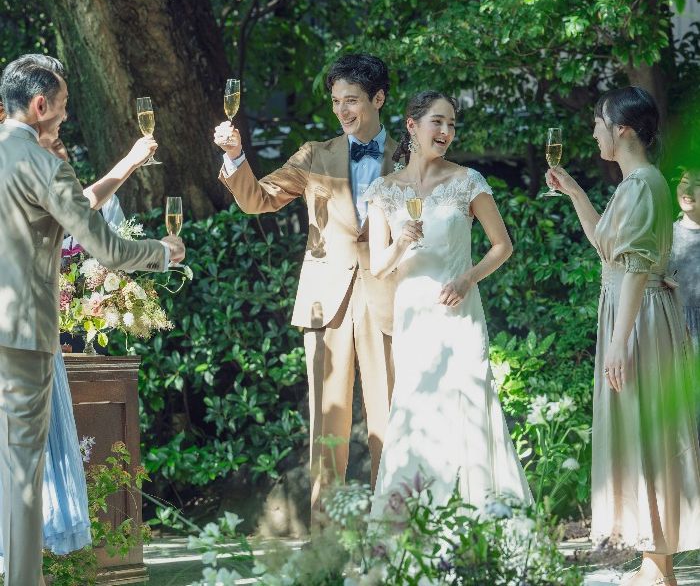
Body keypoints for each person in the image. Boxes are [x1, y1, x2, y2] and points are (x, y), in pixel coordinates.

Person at [0, 53, 185, 586]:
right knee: (22, 476)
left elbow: (72, 209)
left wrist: (123, 168)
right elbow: (108, 248)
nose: (64, 117)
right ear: (39, 105)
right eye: (61, 107)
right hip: (21, 339)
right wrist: (164, 252)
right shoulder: (43, 165)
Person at [213, 53, 397, 515]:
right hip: (325, 302)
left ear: (378, 98)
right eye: (336, 101)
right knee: (326, 428)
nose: (341, 110)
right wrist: (234, 156)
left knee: (392, 421)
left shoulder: (409, 156)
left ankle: (394, 534)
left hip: (389, 300)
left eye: (351, 100)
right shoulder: (315, 154)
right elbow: (258, 199)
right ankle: (327, 543)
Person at [546, 86, 700, 586]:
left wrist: (618, 340)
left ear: (623, 129)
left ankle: (658, 566)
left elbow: (634, 267)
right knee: (642, 429)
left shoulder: (642, 184)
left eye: (599, 123)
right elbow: (605, 246)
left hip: (637, 319)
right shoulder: (637, 184)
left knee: (646, 429)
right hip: (635, 313)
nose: (594, 133)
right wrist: (574, 190)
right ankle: (656, 565)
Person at [363, 91, 532, 514]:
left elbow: (502, 246)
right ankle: (415, 521)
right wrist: (400, 243)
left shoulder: (467, 181)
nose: (446, 131)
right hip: (413, 316)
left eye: (452, 124)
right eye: (437, 121)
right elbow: (379, 267)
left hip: (458, 312)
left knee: (468, 404)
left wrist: (468, 277)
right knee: (417, 409)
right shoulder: (384, 190)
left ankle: (481, 517)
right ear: (412, 125)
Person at [669, 171, 700, 351]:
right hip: (675, 329)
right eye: (685, 181)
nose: (688, 190)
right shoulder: (666, 235)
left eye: (698, 184)